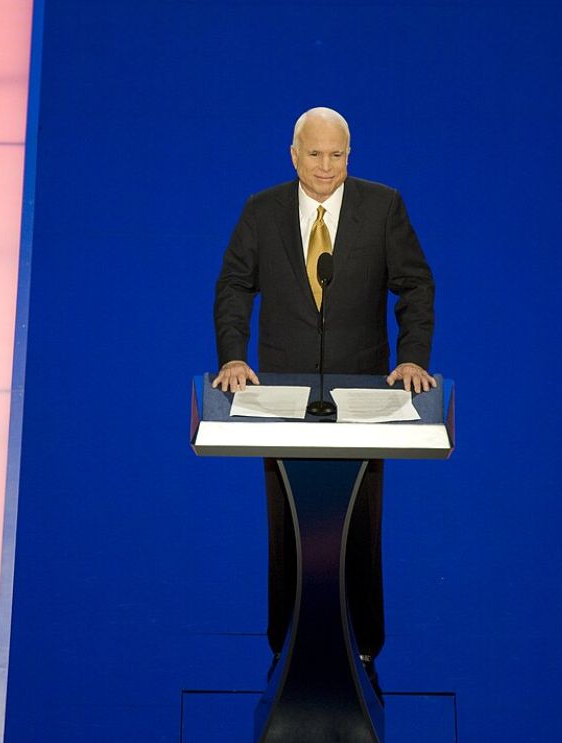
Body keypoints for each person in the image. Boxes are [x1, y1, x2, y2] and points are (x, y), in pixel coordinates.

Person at [212, 107, 436, 691]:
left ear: (349, 155)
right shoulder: (262, 212)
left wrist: (412, 358)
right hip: (280, 403)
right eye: (315, 154)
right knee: (286, 521)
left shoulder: (382, 206)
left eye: (337, 155)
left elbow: (415, 284)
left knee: (360, 522)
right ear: (294, 154)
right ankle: (284, 644)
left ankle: (363, 648)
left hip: (362, 399)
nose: (326, 166)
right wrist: (233, 357)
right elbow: (234, 284)